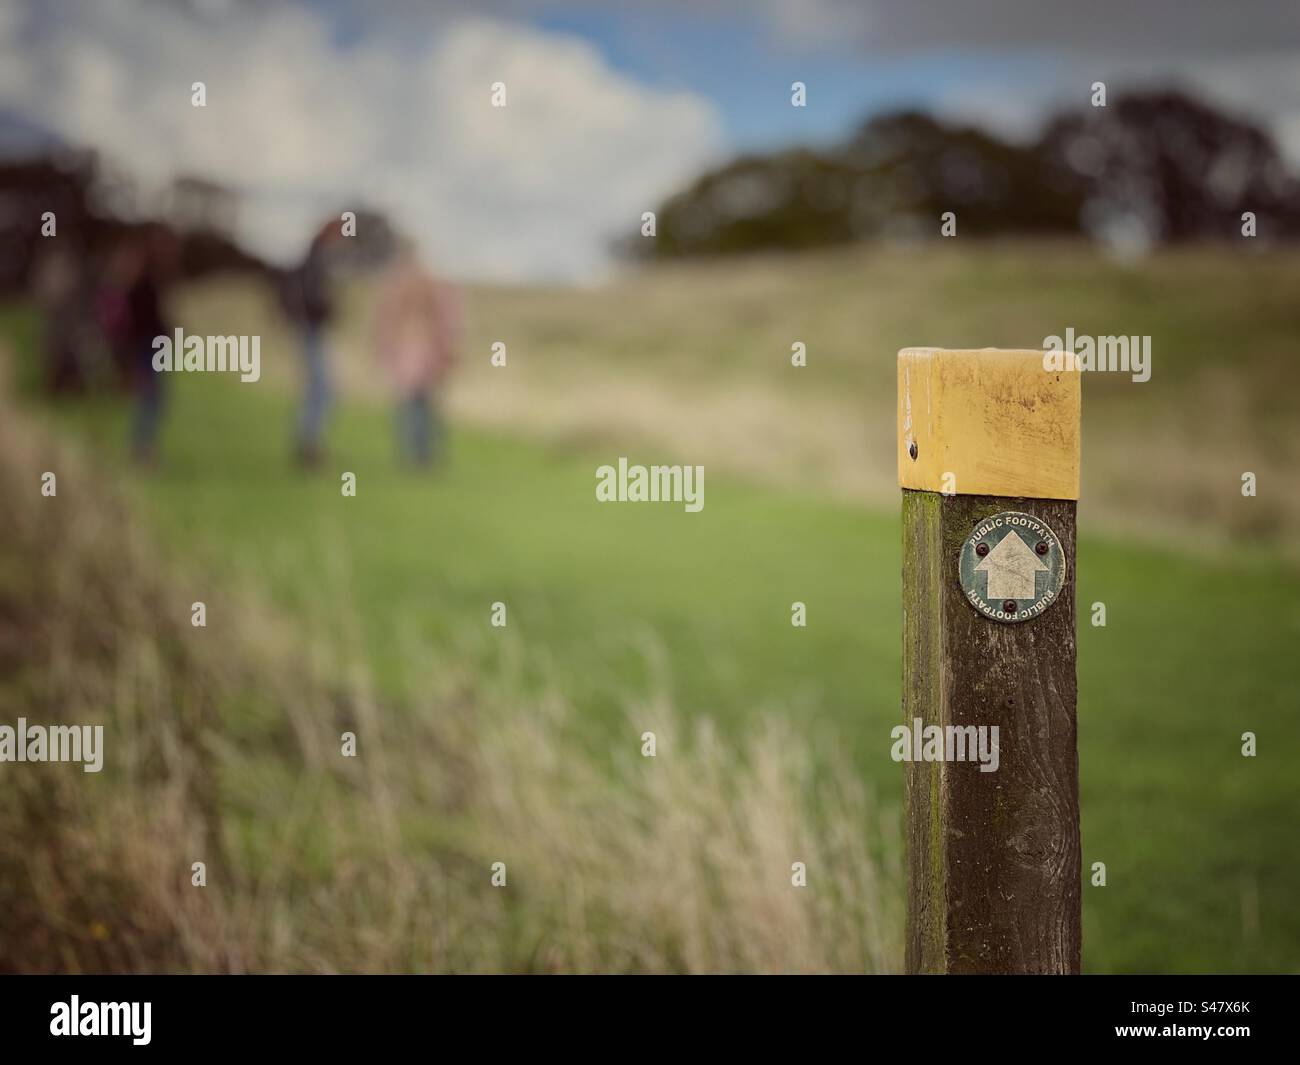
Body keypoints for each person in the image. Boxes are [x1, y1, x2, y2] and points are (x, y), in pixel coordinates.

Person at [372, 241, 460, 466]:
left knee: (414, 405)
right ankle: (420, 453)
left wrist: (386, 349)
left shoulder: (400, 284)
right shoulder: (425, 283)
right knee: (419, 405)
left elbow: (386, 321)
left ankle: (417, 452)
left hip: (413, 352)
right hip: (421, 352)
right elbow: (445, 319)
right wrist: (448, 348)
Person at [280, 223, 340, 467]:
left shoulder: (311, 259)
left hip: (310, 330)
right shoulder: (315, 261)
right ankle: (309, 445)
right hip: (311, 330)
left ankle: (309, 443)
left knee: (319, 389)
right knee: (321, 389)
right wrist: (328, 311)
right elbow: (315, 299)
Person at [124, 227, 176, 465]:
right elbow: (141, 323)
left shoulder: (150, 281)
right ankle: (142, 452)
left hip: (152, 349)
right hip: (146, 350)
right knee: (150, 401)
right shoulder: (143, 284)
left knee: (153, 401)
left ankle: (143, 449)